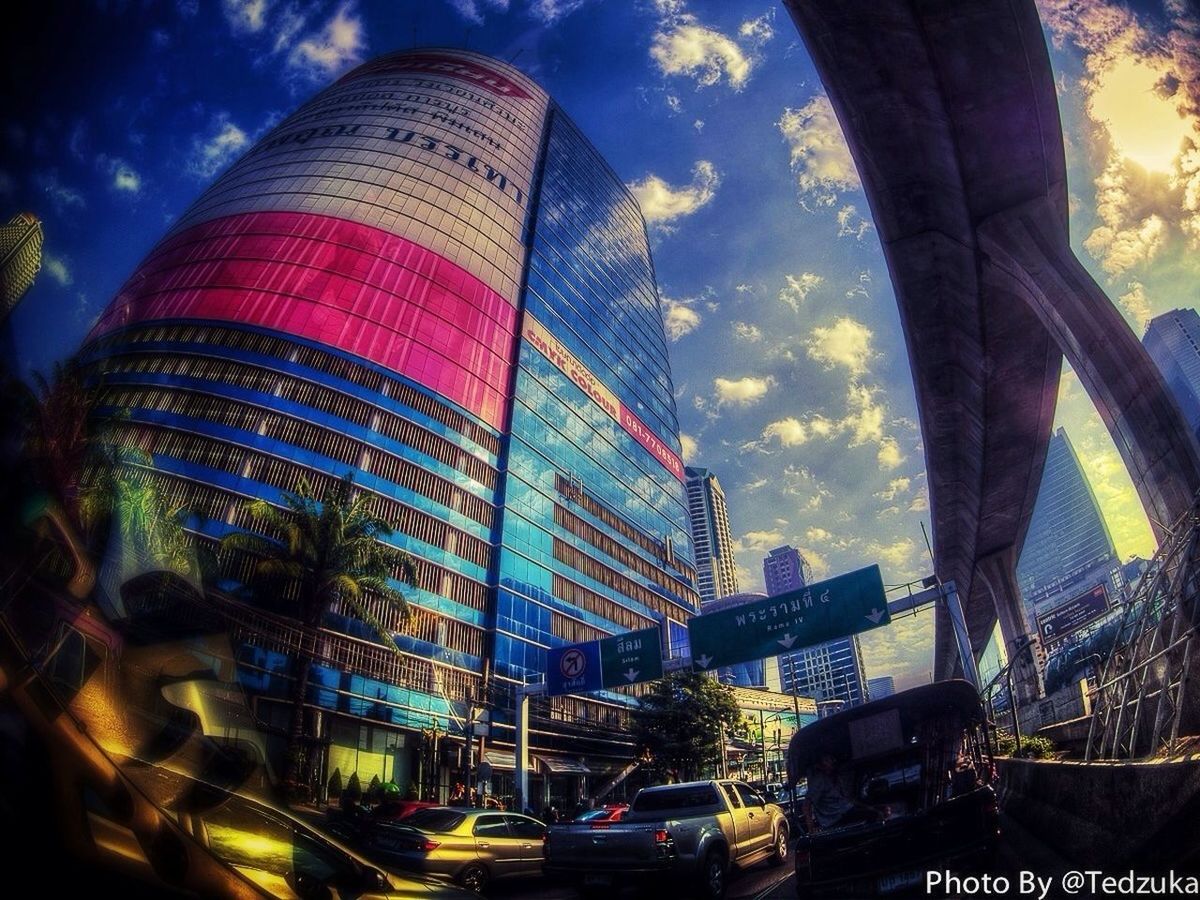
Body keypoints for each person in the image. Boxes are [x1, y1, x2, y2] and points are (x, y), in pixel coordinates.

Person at [803, 752, 884, 831]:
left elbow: (847, 799)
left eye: (831, 759)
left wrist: (867, 806)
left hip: (846, 811)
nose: (832, 761)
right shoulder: (819, 781)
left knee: (882, 810)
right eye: (827, 760)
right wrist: (811, 827)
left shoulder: (835, 777)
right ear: (820, 765)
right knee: (875, 815)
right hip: (834, 818)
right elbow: (806, 805)